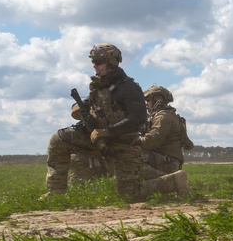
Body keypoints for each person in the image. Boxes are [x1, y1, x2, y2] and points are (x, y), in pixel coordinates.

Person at [45, 44, 189, 200]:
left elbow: (138, 118)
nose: (95, 66)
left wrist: (108, 131)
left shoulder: (129, 88)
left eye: (98, 62)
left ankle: (174, 181)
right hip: (97, 139)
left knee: (130, 195)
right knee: (59, 139)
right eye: (93, 62)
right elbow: (86, 104)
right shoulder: (98, 86)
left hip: (123, 145)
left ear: (112, 62)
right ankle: (55, 193)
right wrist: (78, 108)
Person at [137, 85, 193, 181]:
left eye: (148, 101)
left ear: (157, 100)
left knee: (130, 156)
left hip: (168, 161)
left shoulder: (163, 117)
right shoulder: (163, 115)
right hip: (166, 159)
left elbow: (151, 141)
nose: (146, 104)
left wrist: (131, 143)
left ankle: (172, 180)